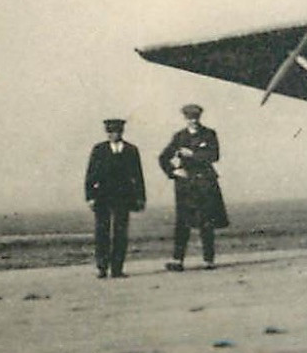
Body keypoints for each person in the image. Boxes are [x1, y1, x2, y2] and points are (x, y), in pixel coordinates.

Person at [158, 103, 229, 270]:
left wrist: (193, 155)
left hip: (205, 182)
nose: (193, 121)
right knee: (183, 221)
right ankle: (178, 260)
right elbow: (163, 158)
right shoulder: (179, 137)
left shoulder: (209, 134)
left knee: (207, 222)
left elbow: (214, 155)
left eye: (195, 118)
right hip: (185, 184)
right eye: (190, 118)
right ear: (185, 119)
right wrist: (174, 172)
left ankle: (208, 260)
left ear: (199, 118)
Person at [84, 118, 146, 279]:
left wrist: (140, 197)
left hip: (123, 197)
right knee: (102, 232)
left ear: (122, 132)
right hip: (102, 196)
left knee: (121, 232)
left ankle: (117, 268)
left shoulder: (131, 150)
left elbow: (138, 176)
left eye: (117, 131)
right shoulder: (99, 150)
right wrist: (90, 196)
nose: (114, 135)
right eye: (110, 132)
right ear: (107, 133)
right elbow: (90, 174)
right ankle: (102, 267)